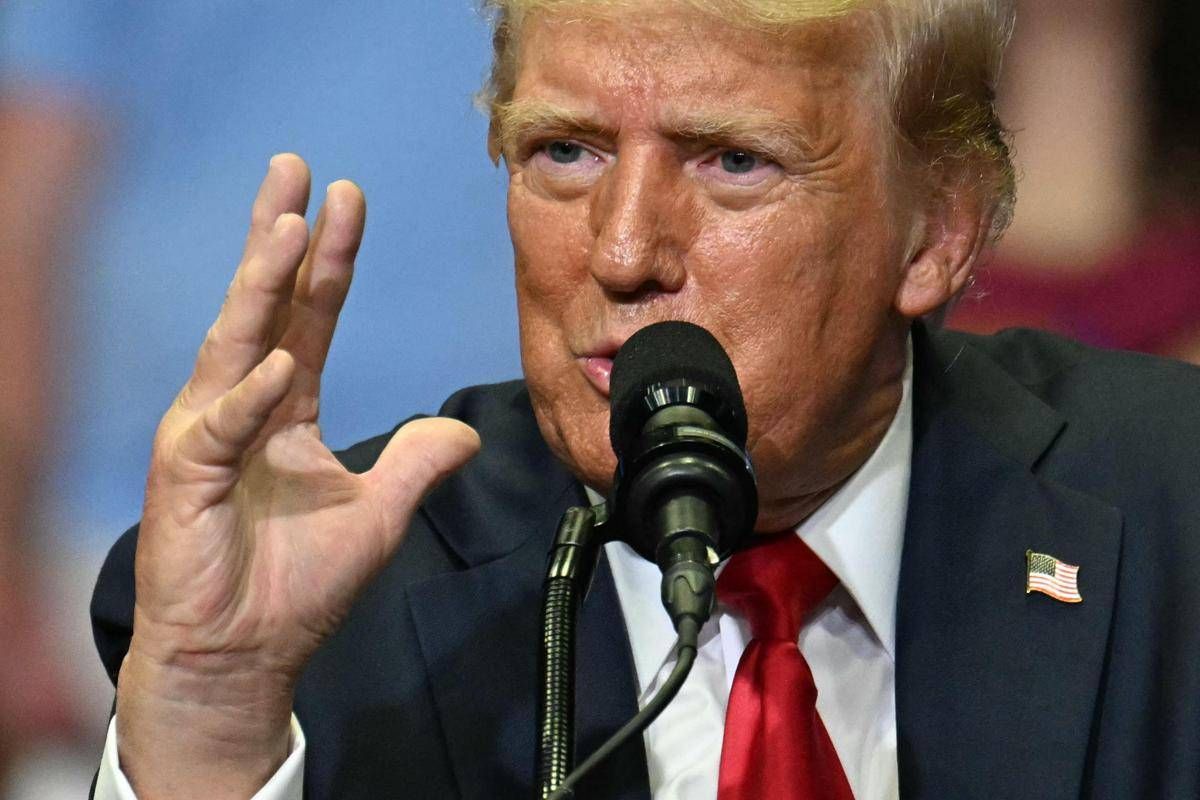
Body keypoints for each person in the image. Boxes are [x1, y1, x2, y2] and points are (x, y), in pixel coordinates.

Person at [89, 1, 1200, 798]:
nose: (622, 253)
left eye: (732, 162)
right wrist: (210, 712)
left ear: (938, 232)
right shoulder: (328, 612)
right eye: (565, 151)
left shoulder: (1171, 514)